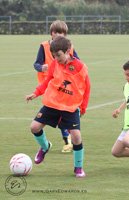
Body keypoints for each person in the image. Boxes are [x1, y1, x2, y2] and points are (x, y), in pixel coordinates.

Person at [25, 36, 91, 178]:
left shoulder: (80, 67)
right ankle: (45, 147)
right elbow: (47, 81)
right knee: (34, 127)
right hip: (52, 103)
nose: (56, 58)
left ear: (67, 51)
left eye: (59, 55)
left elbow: (87, 88)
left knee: (76, 137)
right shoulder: (55, 64)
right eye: (54, 56)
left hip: (70, 107)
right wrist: (35, 93)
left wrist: (83, 108)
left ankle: (78, 168)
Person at [33, 20, 80, 153]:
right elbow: (36, 64)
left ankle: (67, 140)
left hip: (63, 86)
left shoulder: (68, 47)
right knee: (57, 112)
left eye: (63, 33)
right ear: (52, 33)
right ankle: (62, 140)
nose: (60, 35)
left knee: (61, 111)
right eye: (58, 32)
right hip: (48, 85)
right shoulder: (43, 46)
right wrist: (42, 67)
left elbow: (77, 62)